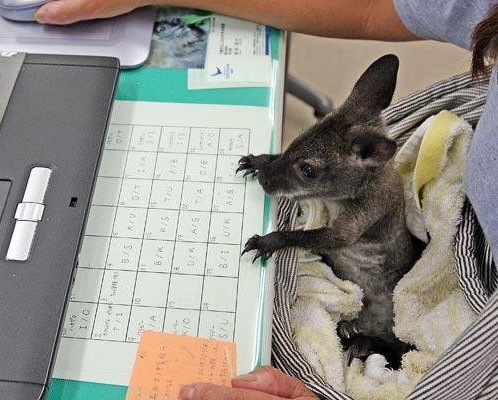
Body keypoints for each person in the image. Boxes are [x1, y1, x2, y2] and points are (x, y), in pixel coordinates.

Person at [35, 1, 498, 399]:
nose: (290, 174)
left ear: (368, 158)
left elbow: (341, 235)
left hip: (381, 280)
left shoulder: (371, 190)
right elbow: (376, 8)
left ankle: (383, 347)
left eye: (310, 172)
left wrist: (280, 239)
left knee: (374, 324)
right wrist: (271, 162)